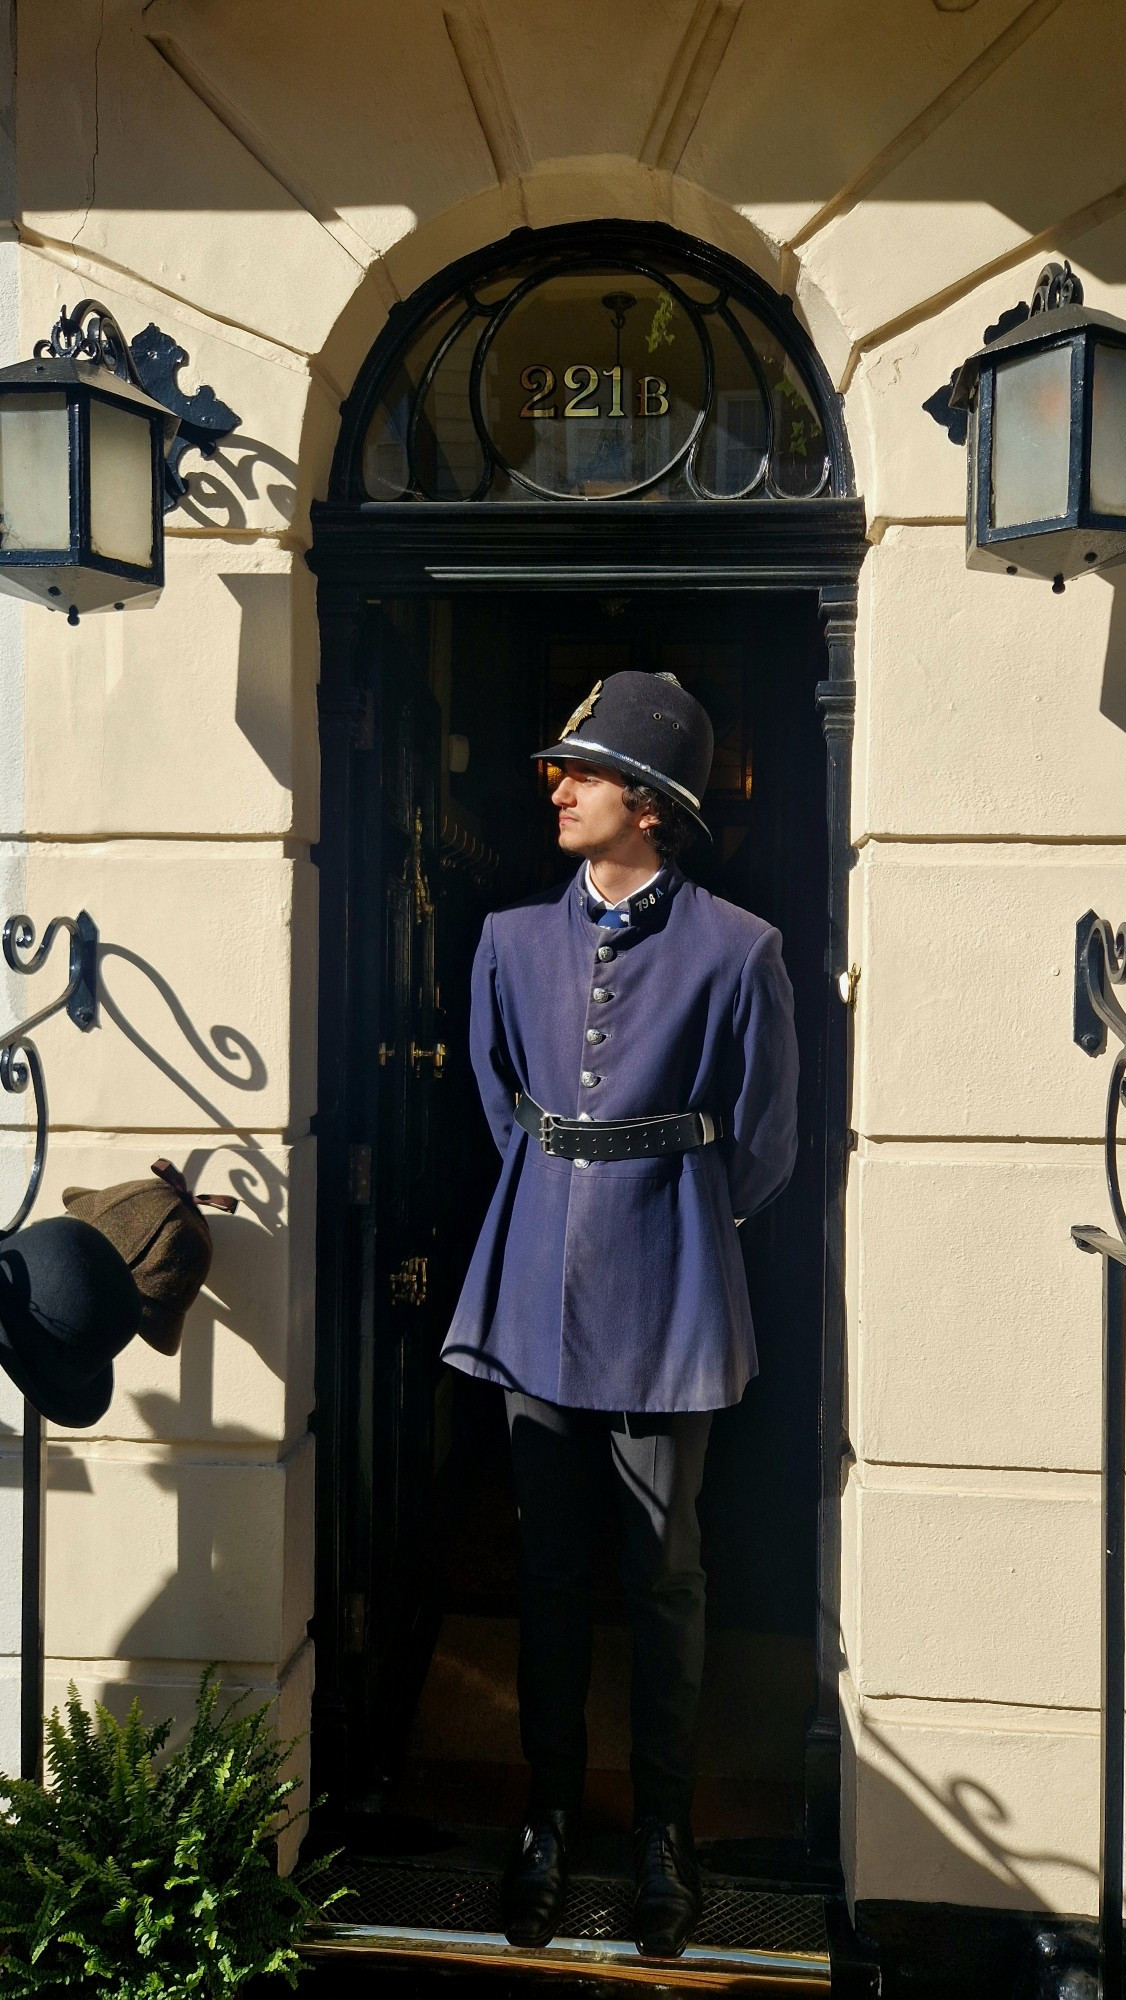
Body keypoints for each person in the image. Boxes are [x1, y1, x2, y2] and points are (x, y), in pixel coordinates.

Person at [441, 670, 800, 1960]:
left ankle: (663, 1831)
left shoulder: (738, 948)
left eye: (582, 773)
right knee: (544, 1569)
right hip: (536, 1277)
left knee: (664, 1577)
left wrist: (672, 1222)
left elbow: (762, 1146)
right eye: (560, 771)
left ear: (646, 803)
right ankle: (544, 1815)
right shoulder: (509, 941)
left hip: (673, 1287)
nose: (560, 787)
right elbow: (498, 1104)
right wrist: (562, 1204)